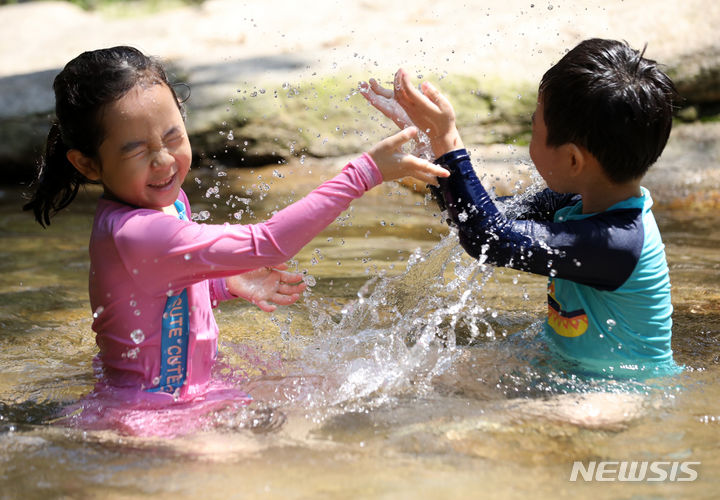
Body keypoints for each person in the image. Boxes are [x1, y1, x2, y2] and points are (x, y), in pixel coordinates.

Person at [23, 46, 449, 434]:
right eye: (136, 150)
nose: (164, 160)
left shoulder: (163, 202)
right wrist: (364, 173)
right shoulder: (136, 231)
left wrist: (222, 284)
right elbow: (268, 243)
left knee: (352, 391)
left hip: (189, 393)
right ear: (87, 164)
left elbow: (158, 292)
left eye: (172, 136)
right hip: (150, 416)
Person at [361, 38, 681, 379]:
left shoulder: (615, 242)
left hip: (624, 386)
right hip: (562, 359)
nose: (530, 139)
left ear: (573, 159)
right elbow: (478, 219)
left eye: (533, 128)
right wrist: (431, 149)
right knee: (418, 373)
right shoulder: (578, 202)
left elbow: (490, 238)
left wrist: (448, 141)